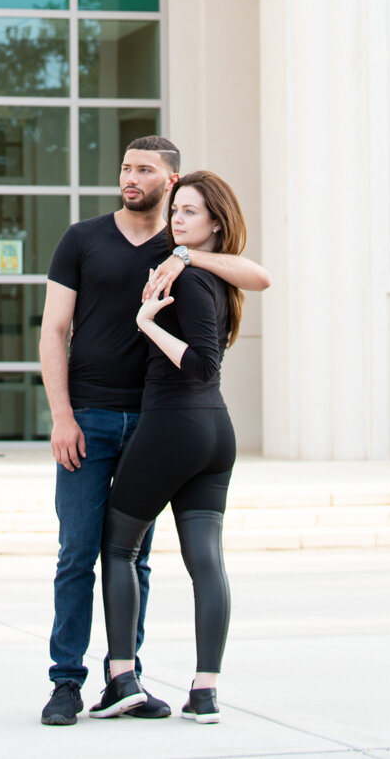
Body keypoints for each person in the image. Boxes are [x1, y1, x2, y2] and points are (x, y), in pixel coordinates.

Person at [39, 138, 270, 726]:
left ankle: (126, 675)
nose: (130, 177)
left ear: (171, 182)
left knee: (133, 554)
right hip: (89, 418)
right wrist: (62, 416)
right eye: (125, 168)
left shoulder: (180, 246)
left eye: (145, 169)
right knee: (78, 553)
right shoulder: (82, 239)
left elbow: (253, 272)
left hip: (154, 418)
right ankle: (67, 681)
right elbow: (53, 330)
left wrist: (191, 257)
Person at [88, 170, 246, 722]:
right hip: (215, 433)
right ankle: (204, 691)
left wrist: (146, 324)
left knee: (119, 546)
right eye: (176, 209)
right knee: (206, 559)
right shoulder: (214, 275)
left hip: (174, 426)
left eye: (190, 212)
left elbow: (201, 363)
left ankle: (122, 676)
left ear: (215, 224)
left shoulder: (195, 279)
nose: (177, 218)